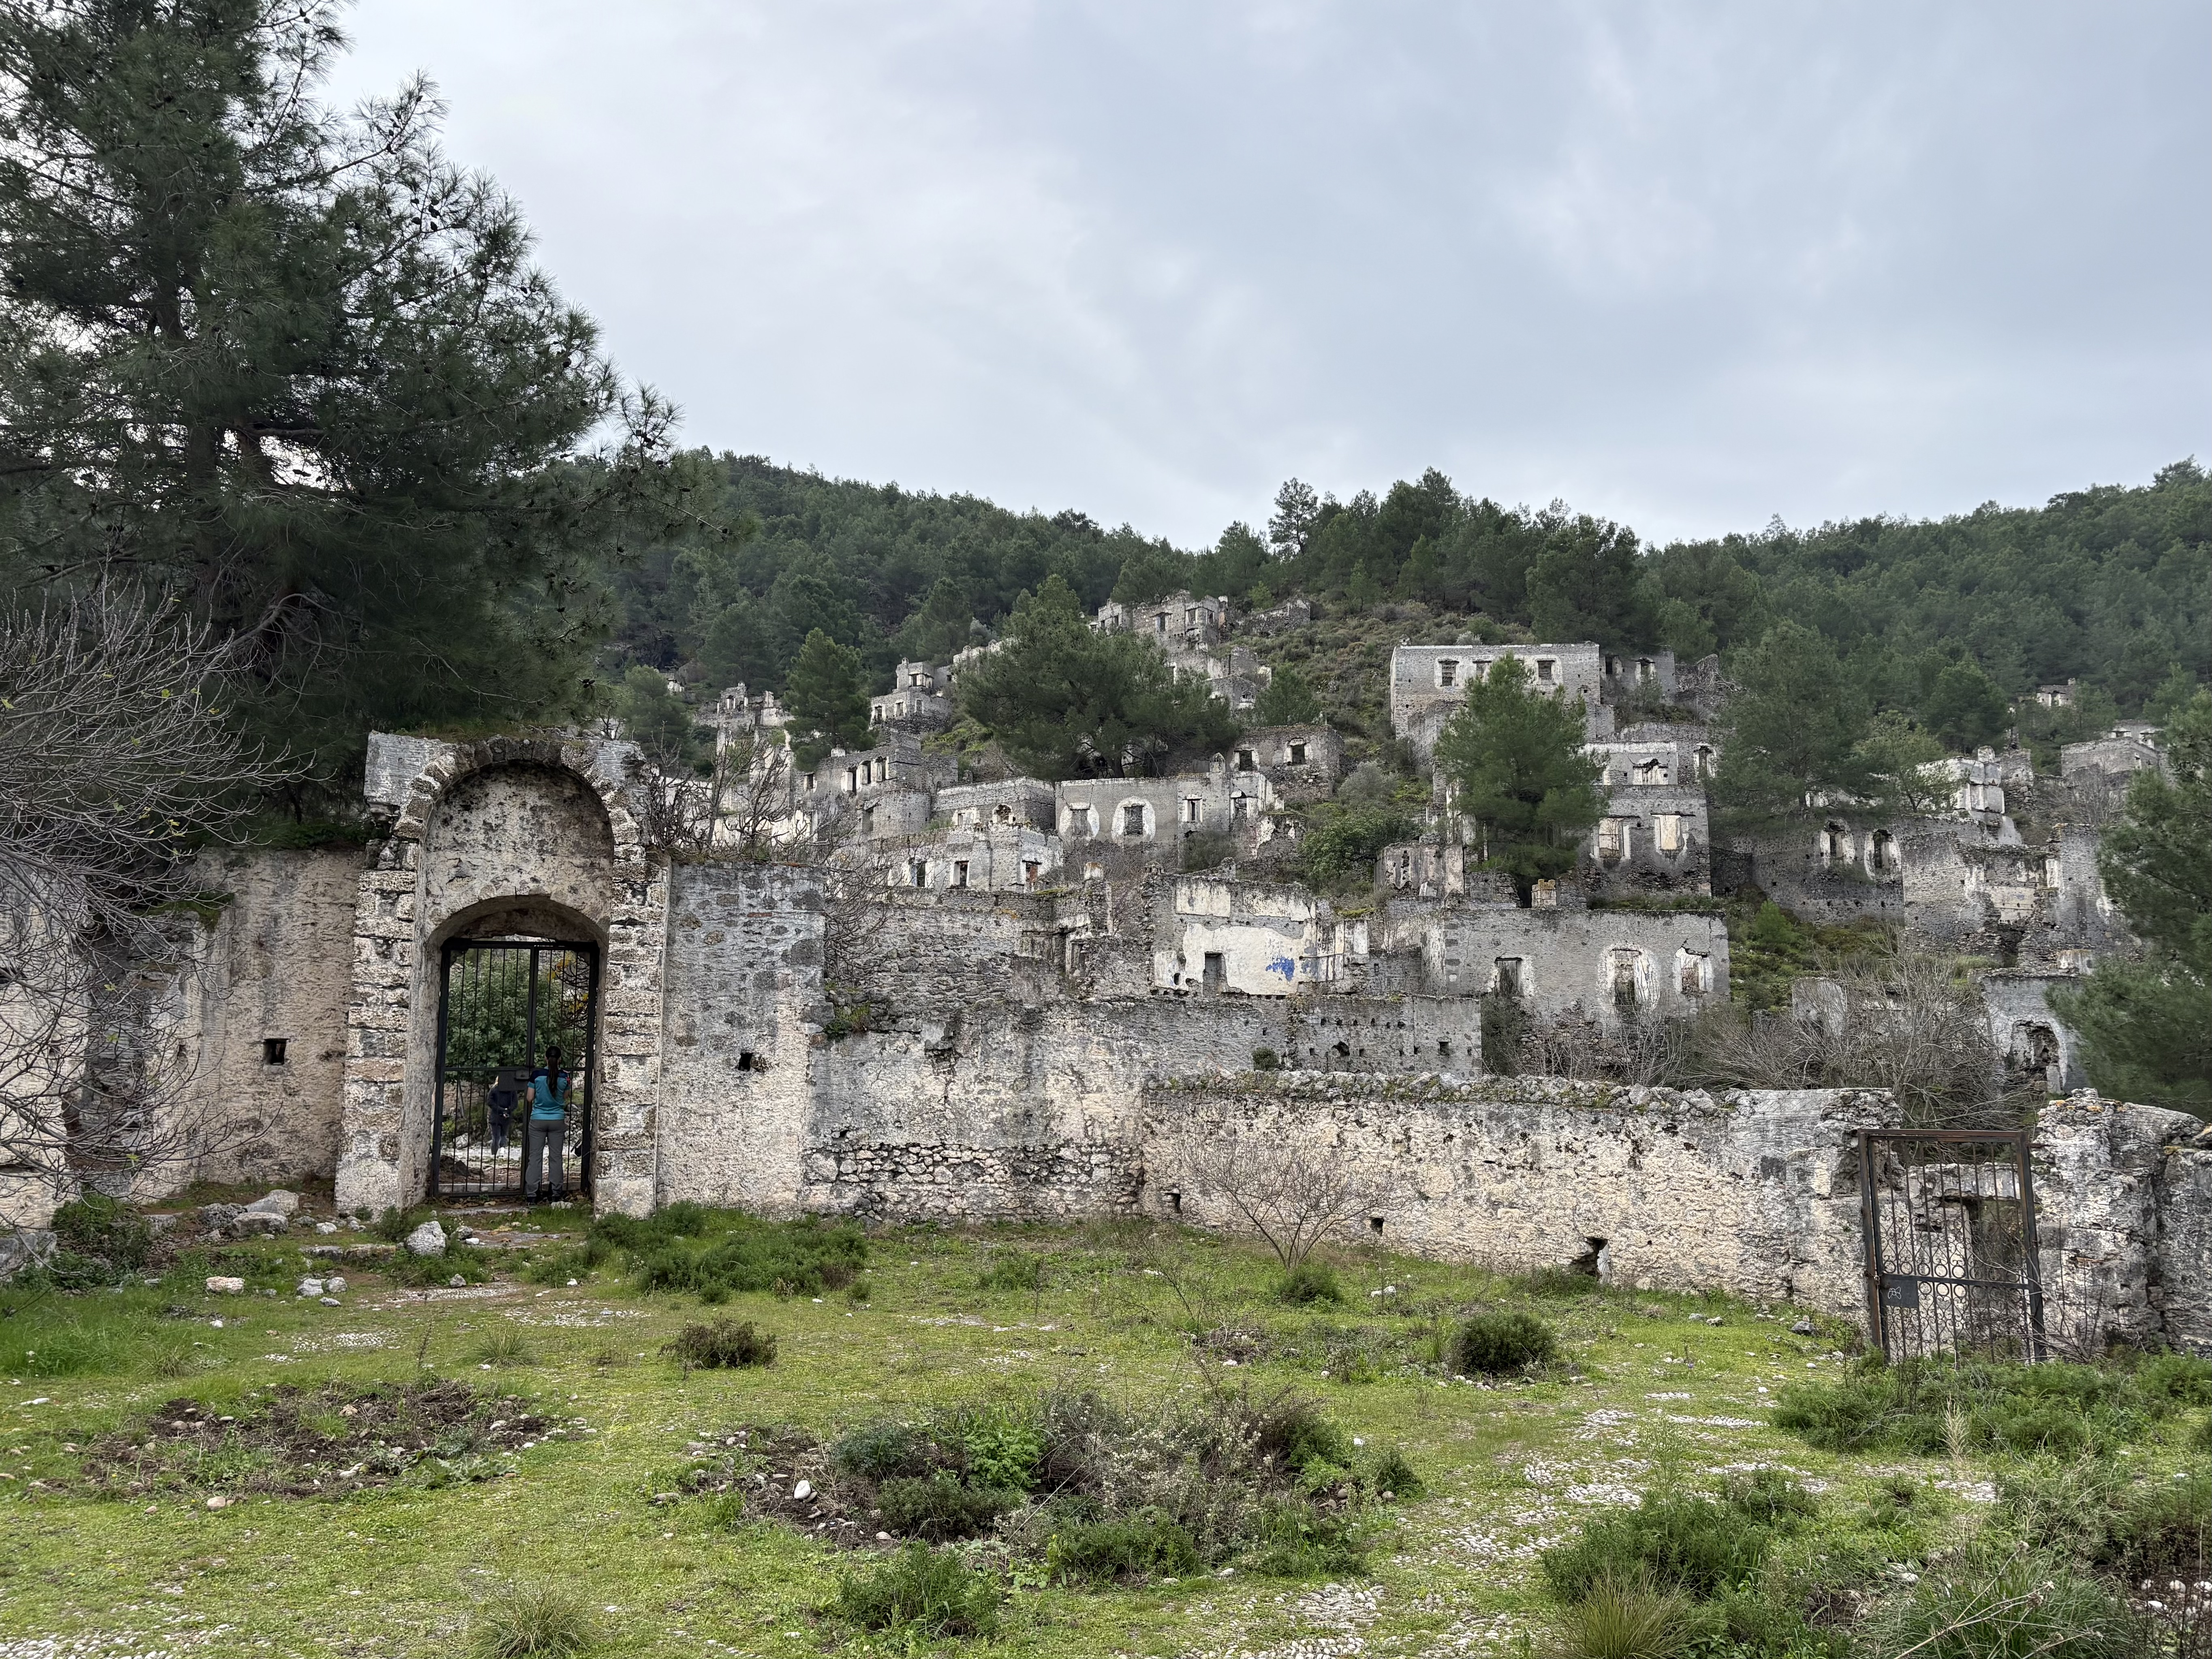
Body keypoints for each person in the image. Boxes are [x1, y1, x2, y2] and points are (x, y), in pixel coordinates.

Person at [523, 1045, 571, 1202]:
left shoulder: (536, 1075)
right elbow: (565, 1097)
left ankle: (532, 1194)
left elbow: (530, 1098)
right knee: (556, 1157)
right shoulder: (565, 1077)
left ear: (545, 1058)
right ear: (560, 1060)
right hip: (557, 1119)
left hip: (538, 1119)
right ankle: (555, 1192)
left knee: (535, 1156)